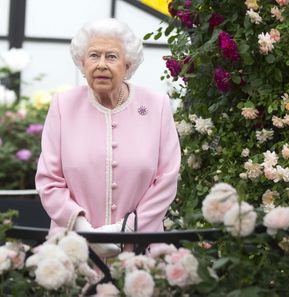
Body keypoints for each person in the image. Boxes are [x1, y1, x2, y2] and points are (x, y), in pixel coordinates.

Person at [35, 18, 181, 257]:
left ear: (128, 64)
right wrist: (85, 231)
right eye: (94, 56)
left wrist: (123, 230)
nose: (101, 65)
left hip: (141, 250)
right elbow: (49, 180)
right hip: (74, 248)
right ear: (82, 63)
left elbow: (166, 180)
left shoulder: (157, 106)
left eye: (111, 56)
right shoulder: (63, 105)